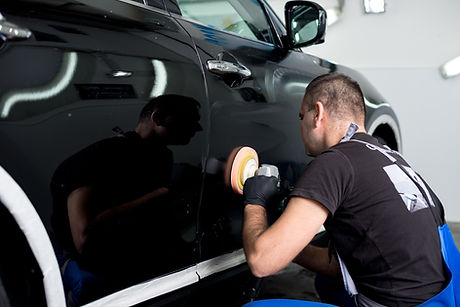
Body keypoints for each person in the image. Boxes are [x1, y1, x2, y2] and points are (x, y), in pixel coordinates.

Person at [242, 73, 447, 306]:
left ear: (317, 114)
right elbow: (346, 266)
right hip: (440, 299)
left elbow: (262, 262)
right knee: (328, 283)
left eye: (302, 117)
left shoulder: (335, 161)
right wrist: (289, 245)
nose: (301, 127)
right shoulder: (392, 158)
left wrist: (255, 201)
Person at [50, 94, 202, 304]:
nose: (198, 128)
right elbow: (85, 238)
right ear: (157, 118)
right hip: (94, 273)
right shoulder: (97, 157)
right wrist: (164, 193)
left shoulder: (161, 157)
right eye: (189, 120)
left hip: (138, 269)